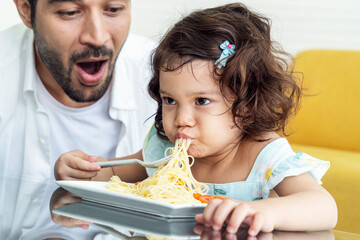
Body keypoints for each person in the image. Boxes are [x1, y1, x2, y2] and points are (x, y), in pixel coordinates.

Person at [55, 3, 338, 236]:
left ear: (248, 105)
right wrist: (79, 171)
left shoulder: (263, 155)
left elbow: (324, 207)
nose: (182, 120)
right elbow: (112, 178)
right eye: (170, 100)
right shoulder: (163, 149)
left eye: (201, 101)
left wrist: (264, 212)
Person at [0, 0, 156, 181]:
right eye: (70, 12)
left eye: (113, 9)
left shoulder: (166, 74)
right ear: (26, 10)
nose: (97, 38)